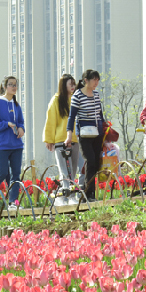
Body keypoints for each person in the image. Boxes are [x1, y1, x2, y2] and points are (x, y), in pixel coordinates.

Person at [66, 70, 105, 202]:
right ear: (85, 80)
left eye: (98, 80)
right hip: (84, 133)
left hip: (97, 132)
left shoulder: (96, 94)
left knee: (96, 162)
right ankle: (88, 193)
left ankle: (90, 193)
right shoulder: (78, 95)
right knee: (90, 160)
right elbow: (72, 117)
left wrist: (105, 129)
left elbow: (100, 114)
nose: (96, 83)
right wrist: (69, 135)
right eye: (94, 80)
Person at [0, 76, 25, 208]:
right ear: (4, 87)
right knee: (2, 172)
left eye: (15, 85)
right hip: (1, 145)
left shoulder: (16, 105)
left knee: (16, 174)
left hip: (16, 144)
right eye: (11, 84)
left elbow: (21, 121)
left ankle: (13, 202)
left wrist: (21, 128)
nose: (14, 87)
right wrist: (6, 124)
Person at [44, 74, 84, 196]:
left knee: (73, 169)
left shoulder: (75, 98)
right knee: (64, 170)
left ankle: (70, 194)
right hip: (60, 140)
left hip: (75, 139)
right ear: (63, 85)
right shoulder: (56, 100)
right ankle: (66, 194)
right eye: (70, 84)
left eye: (74, 84)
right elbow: (50, 121)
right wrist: (49, 140)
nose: (73, 86)